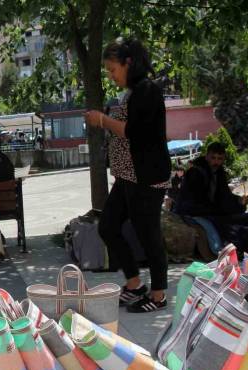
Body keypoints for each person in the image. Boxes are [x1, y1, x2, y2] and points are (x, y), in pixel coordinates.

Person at [84, 38, 171, 313]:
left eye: (113, 69)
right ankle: (134, 285)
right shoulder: (131, 93)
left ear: (129, 63)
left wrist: (102, 120)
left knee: (148, 234)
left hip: (146, 176)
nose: (111, 76)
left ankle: (158, 295)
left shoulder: (147, 90)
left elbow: (133, 131)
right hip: (127, 176)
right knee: (108, 226)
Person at [175, 142, 248, 251]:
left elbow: (225, 198)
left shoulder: (219, 172)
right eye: (213, 158)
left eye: (219, 158)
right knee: (247, 231)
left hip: (217, 213)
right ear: (207, 156)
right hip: (201, 215)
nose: (216, 162)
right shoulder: (196, 173)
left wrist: (240, 202)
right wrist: (221, 210)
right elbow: (192, 203)